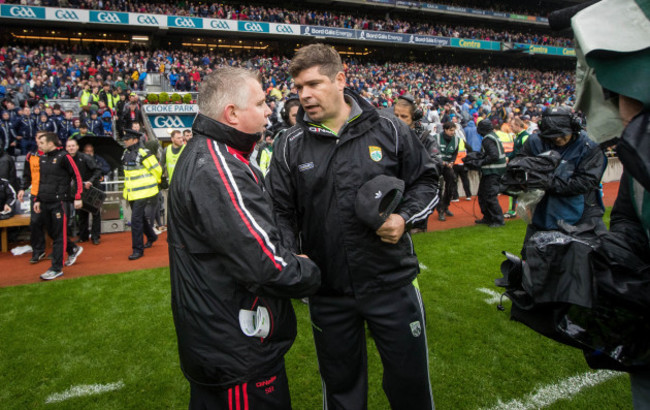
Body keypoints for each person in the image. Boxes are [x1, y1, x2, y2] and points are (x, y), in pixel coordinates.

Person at [267, 44, 437, 410]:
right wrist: (290, 253)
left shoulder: (389, 128)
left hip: (392, 284)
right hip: (328, 293)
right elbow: (279, 210)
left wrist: (403, 218)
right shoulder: (288, 146)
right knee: (342, 393)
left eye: (313, 84)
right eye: (298, 87)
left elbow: (427, 181)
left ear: (340, 79)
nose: (304, 95)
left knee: (411, 388)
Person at [167, 67, 321, 410]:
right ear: (232, 113)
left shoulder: (211, 154)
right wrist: (310, 270)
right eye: (261, 102)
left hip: (220, 340)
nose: (269, 110)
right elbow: (265, 265)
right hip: (238, 347)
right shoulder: (217, 166)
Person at [518, 107, 606, 255]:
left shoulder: (589, 146)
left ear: (574, 128)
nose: (557, 138)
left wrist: (546, 181)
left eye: (561, 134)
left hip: (582, 216)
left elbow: (585, 182)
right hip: (543, 213)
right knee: (534, 260)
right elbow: (519, 164)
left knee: (582, 262)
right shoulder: (535, 142)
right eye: (552, 135)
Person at [33, 132, 84, 280]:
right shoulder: (42, 158)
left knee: (59, 236)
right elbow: (41, 180)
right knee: (53, 233)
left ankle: (56, 268)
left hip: (59, 202)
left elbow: (77, 176)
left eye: (41, 142)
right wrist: (37, 199)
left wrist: (78, 196)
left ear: (50, 143)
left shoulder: (64, 157)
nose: (39, 145)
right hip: (44, 202)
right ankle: (73, 248)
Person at [393, 94, 441, 233]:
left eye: (404, 116)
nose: (399, 120)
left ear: (414, 117)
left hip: (415, 194)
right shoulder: (389, 134)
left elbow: (436, 164)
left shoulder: (425, 137)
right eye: (396, 115)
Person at [121, 129, 161, 260]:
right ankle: (151, 236)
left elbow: (157, 170)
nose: (125, 141)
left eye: (127, 139)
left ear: (135, 140)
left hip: (145, 192)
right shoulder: (125, 153)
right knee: (141, 218)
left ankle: (138, 250)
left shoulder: (145, 153)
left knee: (136, 220)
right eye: (124, 139)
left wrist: (154, 183)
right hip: (132, 193)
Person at [468, 119, 507, 227]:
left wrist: (480, 162)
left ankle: (498, 220)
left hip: (493, 171)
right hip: (494, 170)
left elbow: (494, 155)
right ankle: (488, 217)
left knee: (490, 196)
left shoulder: (487, 139)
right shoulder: (492, 136)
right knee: (483, 194)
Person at [66, 139, 103, 245]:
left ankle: (95, 237)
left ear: (77, 147)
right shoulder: (66, 159)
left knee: (95, 212)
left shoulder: (85, 157)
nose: (71, 148)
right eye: (69, 146)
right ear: (66, 148)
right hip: (79, 189)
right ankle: (83, 236)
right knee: (81, 213)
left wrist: (90, 181)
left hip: (92, 188)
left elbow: (98, 170)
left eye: (73, 146)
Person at [18, 131, 47, 264]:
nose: (40, 140)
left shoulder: (54, 155)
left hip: (51, 193)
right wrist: (22, 188)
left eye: (43, 137)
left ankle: (61, 250)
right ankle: (38, 250)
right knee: (35, 223)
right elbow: (27, 175)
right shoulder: (30, 156)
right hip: (35, 193)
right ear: (35, 139)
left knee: (53, 224)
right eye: (38, 137)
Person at [504, 117, 530, 218]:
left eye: (512, 126)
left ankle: (515, 210)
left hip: (522, 167)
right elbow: (516, 152)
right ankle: (513, 209)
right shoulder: (518, 136)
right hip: (517, 166)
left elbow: (524, 153)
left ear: (518, 126)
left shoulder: (525, 137)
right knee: (515, 188)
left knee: (520, 188)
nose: (511, 128)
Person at [435, 121, 460, 221]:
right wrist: (442, 161)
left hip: (448, 166)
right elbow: (432, 151)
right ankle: (440, 209)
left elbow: (455, 153)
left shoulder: (456, 140)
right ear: (445, 129)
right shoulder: (436, 138)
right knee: (439, 187)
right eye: (451, 130)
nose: (453, 132)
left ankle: (445, 206)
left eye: (454, 130)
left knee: (452, 183)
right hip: (437, 166)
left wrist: (452, 162)